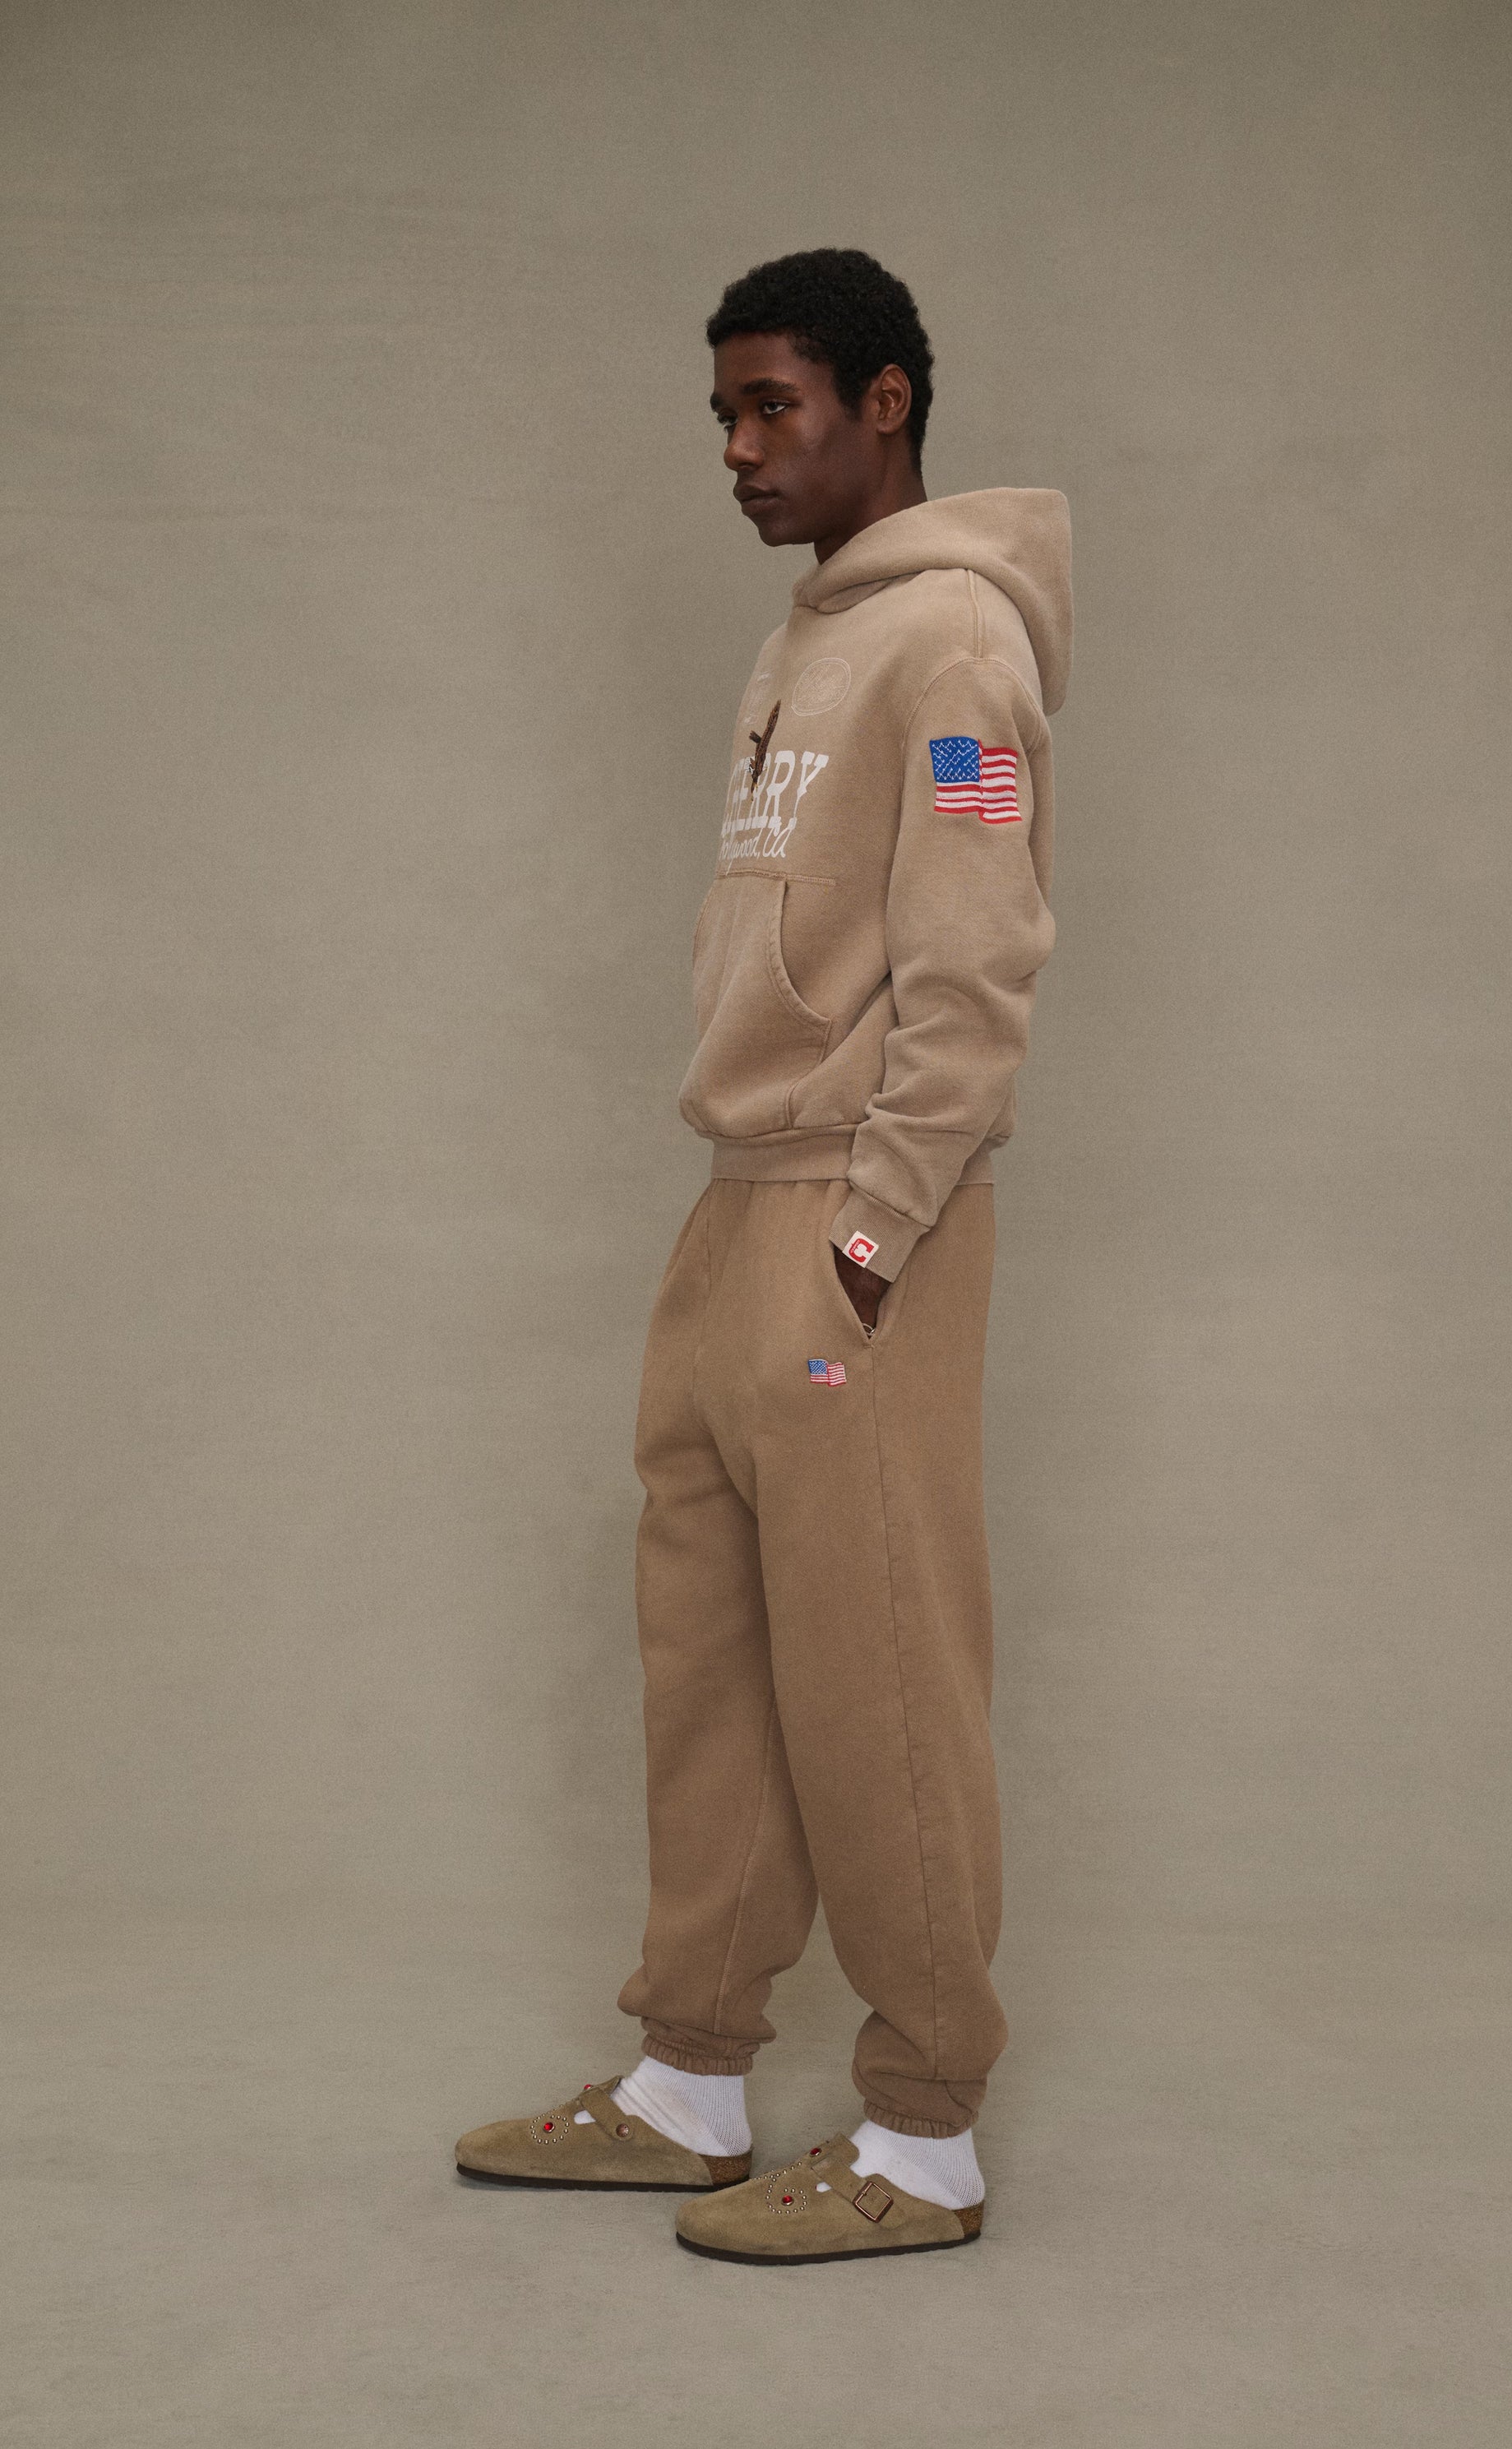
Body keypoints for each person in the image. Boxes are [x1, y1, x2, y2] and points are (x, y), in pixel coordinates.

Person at [456, 248, 1072, 2265]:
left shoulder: (955, 644)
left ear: (884, 401)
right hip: (736, 1202)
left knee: (874, 1659)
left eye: (773, 407)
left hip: (851, 1225)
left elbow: (975, 967)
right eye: (723, 414)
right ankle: (688, 2082)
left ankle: (923, 2137)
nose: (738, 449)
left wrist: (873, 1235)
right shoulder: (809, 636)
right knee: (710, 1653)